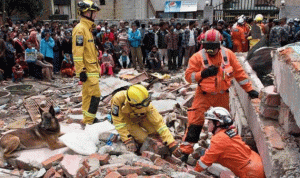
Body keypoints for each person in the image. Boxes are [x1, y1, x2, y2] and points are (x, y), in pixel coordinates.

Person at [180, 29, 259, 161]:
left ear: (219, 44)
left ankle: (222, 151)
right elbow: (189, 77)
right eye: (208, 48)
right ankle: (185, 152)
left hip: (222, 95)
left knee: (223, 125)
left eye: (213, 48)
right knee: (195, 121)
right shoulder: (197, 57)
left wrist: (249, 90)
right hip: (203, 94)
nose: (210, 51)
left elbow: (240, 74)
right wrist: (203, 74)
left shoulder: (228, 55)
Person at [110, 84, 181, 157]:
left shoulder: (147, 106)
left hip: (143, 117)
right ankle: (148, 147)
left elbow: (159, 125)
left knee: (155, 131)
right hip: (128, 121)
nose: (147, 105)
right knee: (143, 139)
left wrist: (171, 143)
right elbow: (118, 122)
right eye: (143, 104)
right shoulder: (118, 99)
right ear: (133, 104)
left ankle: (161, 144)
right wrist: (127, 140)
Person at [194, 107, 265, 178]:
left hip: (250, 173)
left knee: (217, 170)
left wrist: (194, 172)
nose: (207, 124)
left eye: (209, 122)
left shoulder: (218, 139)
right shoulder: (229, 132)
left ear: (217, 123)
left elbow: (204, 162)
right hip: (256, 164)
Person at [73, 0, 101, 125]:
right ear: (86, 12)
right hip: (88, 71)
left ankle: (88, 119)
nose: (95, 15)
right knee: (94, 96)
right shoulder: (80, 29)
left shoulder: (87, 29)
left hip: (92, 70)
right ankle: (89, 121)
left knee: (87, 96)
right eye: (93, 12)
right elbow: (77, 53)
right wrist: (81, 71)